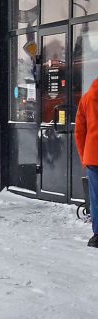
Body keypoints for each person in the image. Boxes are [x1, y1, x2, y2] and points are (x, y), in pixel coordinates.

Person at [75, 78, 98, 248]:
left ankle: (97, 235)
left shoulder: (87, 97)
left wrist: (84, 156)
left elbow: (79, 131)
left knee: (96, 197)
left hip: (93, 156)